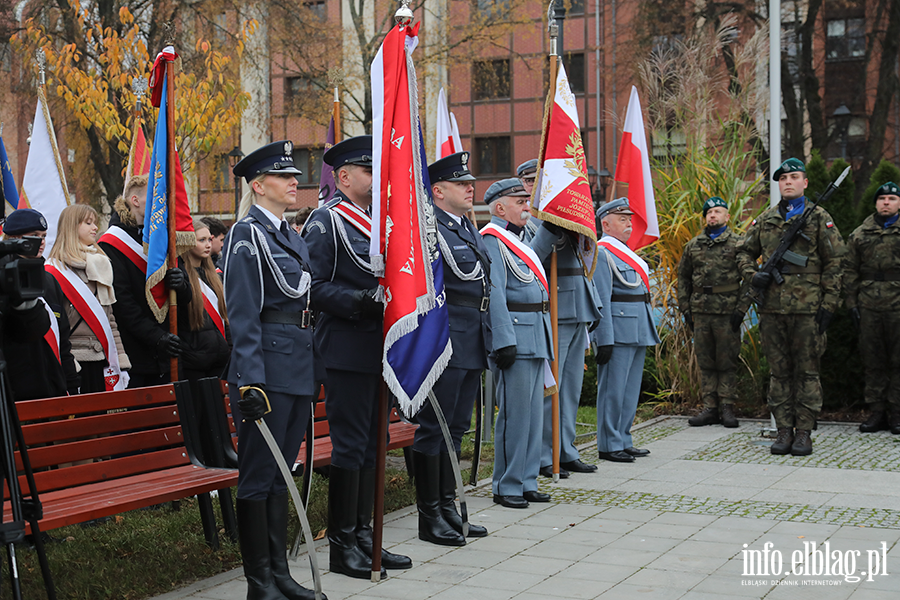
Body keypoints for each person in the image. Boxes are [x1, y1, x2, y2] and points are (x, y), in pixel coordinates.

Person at [302, 136, 411, 578]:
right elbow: (312, 285)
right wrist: (360, 300)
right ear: (343, 177)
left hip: (379, 349)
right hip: (346, 347)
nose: (375, 178)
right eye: (368, 171)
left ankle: (367, 536)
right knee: (349, 446)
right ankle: (342, 544)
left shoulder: (379, 220)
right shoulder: (326, 222)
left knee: (374, 444)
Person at [223, 140, 322, 600]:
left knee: (284, 473)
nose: (294, 181)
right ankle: (259, 582)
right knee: (259, 474)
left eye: (295, 175)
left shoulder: (289, 234)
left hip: (297, 362)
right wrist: (250, 379)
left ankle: (280, 573)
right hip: (267, 368)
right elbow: (243, 313)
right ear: (259, 186)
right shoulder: (247, 235)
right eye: (284, 177)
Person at [736, 158, 845, 456]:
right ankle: (783, 430)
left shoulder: (820, 218)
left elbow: (836, 264)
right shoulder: (767, 219)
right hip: (772, 309)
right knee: (779, 373)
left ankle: (804, 433)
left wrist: (830, 305)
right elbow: (743, 253)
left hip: (809, 309)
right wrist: (752, 274)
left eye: (794, 177)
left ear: (805, 183)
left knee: (808, 373)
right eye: (783, 178)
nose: (788, 182)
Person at [412, 152, 491, 545]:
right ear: (438, 191)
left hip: (471, 337)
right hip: (445, 341)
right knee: (435, 429)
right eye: (461, 183)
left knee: (456, 428)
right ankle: (430, 516)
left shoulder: (465, 227)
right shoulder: (430, 230)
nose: (469, 187)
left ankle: (449, 506)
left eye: (469, 181)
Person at [482, 178, 553, 509]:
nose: (527, 206)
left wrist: (556, 223)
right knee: (515, 414)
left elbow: (538, 258)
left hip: (535, 333)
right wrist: (503, 339)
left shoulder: (519, 240)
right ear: (500, 207)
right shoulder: (492, 242)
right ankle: (505, 484)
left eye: (527, 201)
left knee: (534, 415)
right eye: (520, 201)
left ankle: (526, 480)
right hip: (515, 335)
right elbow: (495, 292)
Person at [530, 218, 601, 478]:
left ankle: (565, 450)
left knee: (570, 389)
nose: (530, 188)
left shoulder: (568, 218)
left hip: (577, 308)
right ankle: (545, 453)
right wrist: (549, 229)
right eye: (527, 181)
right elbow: (531, 258)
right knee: (551, 388)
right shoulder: (532, 223)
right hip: (555, 311)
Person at [98, 175, 185, 388]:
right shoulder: (111, 244)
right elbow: (123, 305)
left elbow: (187, 297)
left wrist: (181, 284)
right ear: (135, 201)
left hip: (173, 351)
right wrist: (157, 337)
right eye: (156, 197)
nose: (162, 202)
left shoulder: (164, 237)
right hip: (138, 355)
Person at [591, 198, 659, 463]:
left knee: (630, 389)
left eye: (629, 218)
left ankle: (623, 437)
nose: (629, 222)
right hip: (617, 330)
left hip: (638, 326)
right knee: (613, 388)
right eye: (622, 219)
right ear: (605, 224)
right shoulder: (603, 252)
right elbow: (602, 298)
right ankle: (608, 443)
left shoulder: (627, 253)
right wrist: (603, 338)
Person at [677, 197, 747, 428]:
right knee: (705, 360)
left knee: (726, 360)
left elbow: (749, 278)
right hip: (701, 311)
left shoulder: (738, 244)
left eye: (717, 211)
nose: (712, 215)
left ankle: (727, 406)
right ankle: (710, 407)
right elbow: (683, 278)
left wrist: (741, 309)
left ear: (727, 216)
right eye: (709, 212)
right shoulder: (693, 245)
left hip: (727, 311)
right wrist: (685, 308)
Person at [47, 204, 130, 393]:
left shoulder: (101, 265)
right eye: (88, 223)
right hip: (74, 361)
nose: (95, 228)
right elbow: (56, 326)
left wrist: (121, 360)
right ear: (72, 226)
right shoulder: (55, 271)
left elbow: (110, 319)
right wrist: (68, 365)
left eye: (95, 223)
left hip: (103, 359)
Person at [2, 208, 79, 398]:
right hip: (16, 391)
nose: (42, 242)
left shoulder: (49, 280)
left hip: (52, 387)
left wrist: (71, 382)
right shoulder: (3, 277)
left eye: (43, 235)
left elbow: (63, 339)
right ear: (13, 238)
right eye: (34, 236)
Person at [844, 181, 900, 434]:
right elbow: (849, 271)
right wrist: (852, 304)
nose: (886, 202)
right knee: (873, 361)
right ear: (875, 203)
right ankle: (877, 412)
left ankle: (897, 413)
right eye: (882, 199)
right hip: (868, 304)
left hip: (898, 304)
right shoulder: (859, 234)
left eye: (891, 198)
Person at [176, 219, 230, 382]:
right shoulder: (181, 278)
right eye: (201, 240)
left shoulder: (215, 277)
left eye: (209, 239)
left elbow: (224, 317)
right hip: (195, 363)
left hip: (220, 360)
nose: (208, 244)